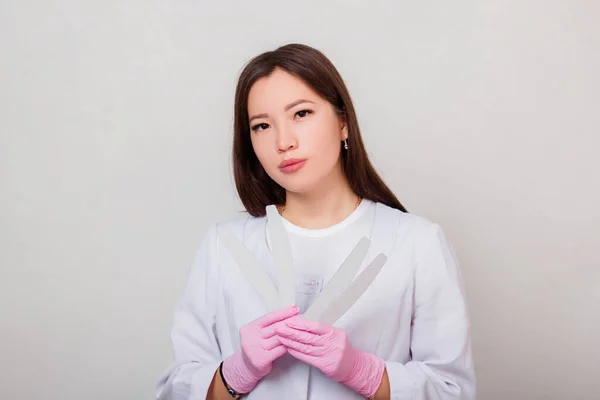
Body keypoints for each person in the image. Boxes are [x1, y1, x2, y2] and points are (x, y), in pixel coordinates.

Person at [156, 43, 476, 400]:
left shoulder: (418, 243)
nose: (283, 142)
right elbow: (174, 390)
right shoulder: (223, 246)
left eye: (301, 114)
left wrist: (366, 373)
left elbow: (454, 392)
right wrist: (234, 373)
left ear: (343, 123)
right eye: (262, 125)